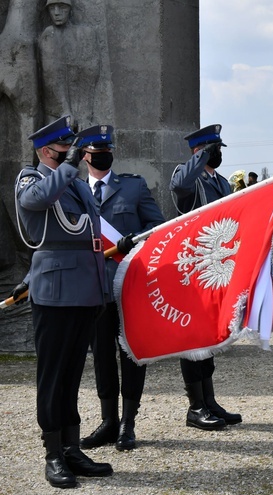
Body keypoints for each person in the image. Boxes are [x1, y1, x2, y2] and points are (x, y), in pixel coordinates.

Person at [15, 116, 113, 488]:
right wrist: (70, 165)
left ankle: (72, 447)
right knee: (53, 376)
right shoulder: (33, 178)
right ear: (46, 150)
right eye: (64, 147)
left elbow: (90, 231)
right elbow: (35, 201)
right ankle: (53, 452)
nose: (72, 151)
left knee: (73, 374)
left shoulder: (73, 180)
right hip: (55, 292)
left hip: (86, 289)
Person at [76, 125, 166, 452]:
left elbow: (156, 227)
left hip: (128, 283)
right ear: (84, 156)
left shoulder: (133, 186)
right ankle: (108, 422)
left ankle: (129, 422)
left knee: (131, 352)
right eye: (96, 152)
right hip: (92, 287)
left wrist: (135, 241)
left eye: (107, 149)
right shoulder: (74, 190)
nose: (103, 155)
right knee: (101, 353)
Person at [170, 124, 241, 430]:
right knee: (192, 342)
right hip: (194, 272)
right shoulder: (188, 178)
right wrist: (199, 157)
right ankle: (195, 407)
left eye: (219, 150)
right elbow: (180, 186)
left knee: (208, 341)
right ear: (199, 152)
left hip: (215, 273)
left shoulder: (222, 182)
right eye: (213, 151)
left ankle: (209, 401)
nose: (218, 156)